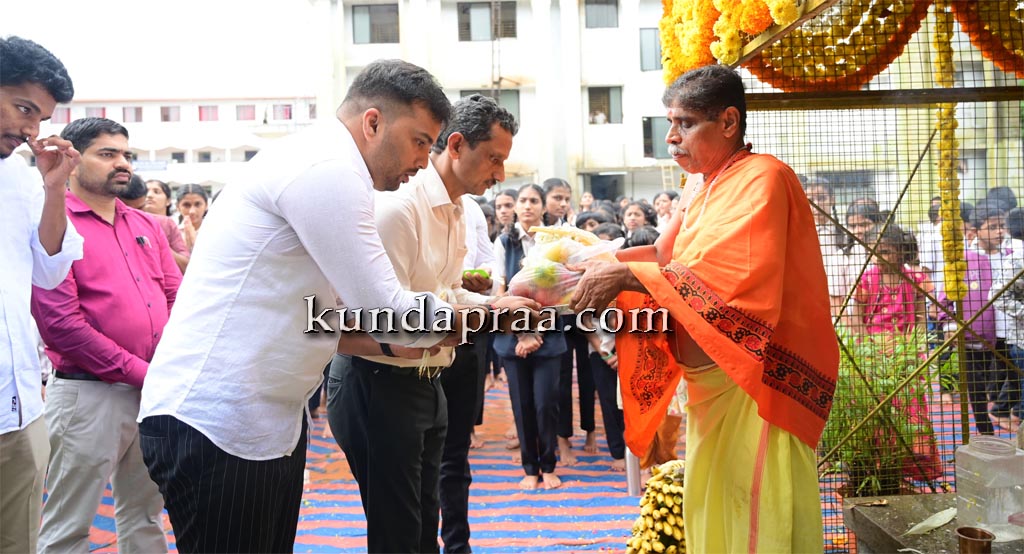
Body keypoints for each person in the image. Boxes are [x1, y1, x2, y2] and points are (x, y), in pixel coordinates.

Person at [137, 60, 464, 553]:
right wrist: (488, 317)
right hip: (218, 421)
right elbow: (394, 315)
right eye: (420, 141)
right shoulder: (329, 169)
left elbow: (323, 317)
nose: (423, 162)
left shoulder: (328, 165)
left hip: (264, 422)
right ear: (372, 122)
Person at [569, 65, 838, 552]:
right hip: (710, 388)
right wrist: (583, 266)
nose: (672, 137)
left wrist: (625, 276)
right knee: (712, 513)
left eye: (686, 123)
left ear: (729, 122)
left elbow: (733, 279)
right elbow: (663, 259)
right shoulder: (699, 185)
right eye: (670, 122)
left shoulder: (764, 178)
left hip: (756, 389)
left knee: (757, 521)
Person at [328, 95, 530, 553]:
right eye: (494, 159)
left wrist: (499, 303)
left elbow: (446, 291)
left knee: (423, 524)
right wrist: (486, 313)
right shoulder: (400, 208)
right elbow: (392, 321)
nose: (499, 175)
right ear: (456, 145)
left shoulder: (460, 210)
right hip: (379, 381)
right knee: (397, 532)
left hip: (428, 379)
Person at [32, 117, 179, 553]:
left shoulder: (146, 226)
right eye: (107, 153)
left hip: (154, 391)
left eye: (126, 155)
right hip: (89, 396)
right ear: (73, 161)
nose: (123, 164)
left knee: (145, 516)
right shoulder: (56, 223)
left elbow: (175, 297)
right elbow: (61, 324)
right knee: (68, 527)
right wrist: (144, 372)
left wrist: (164, 372)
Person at [0, 36, 82, 554]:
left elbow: (51, 270)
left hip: (18, 409)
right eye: (23, 108)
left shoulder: (21, 176)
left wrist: (55, 190)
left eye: (41, 118)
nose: (31, 130)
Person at [493, 183, 568, 490]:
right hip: (512, 336)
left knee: (545, 403)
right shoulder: (504, 242)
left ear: (543, 206)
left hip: (547, 336)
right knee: (521, 404)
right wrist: (521, 333)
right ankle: (530, 468)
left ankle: (548, 464)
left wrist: (535, 332)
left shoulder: (557, 242)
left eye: (533, 201)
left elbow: (563, 294)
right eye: (522, 201)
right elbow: (499, 293)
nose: (527, 206)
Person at [131, 177, 189, 272]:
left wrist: (161, 245)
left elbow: (185, 265)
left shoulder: (169, 224)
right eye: (145, 192)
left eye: (156, 192)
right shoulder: (131, 220)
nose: (149, 195)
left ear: (168, 201)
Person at [175, 182, 207, 252]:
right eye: (186, 205)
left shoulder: (215, 230)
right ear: (178, 207)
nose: (192, 211)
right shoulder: (173, 232)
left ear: (206, 205)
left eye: (197, 204)